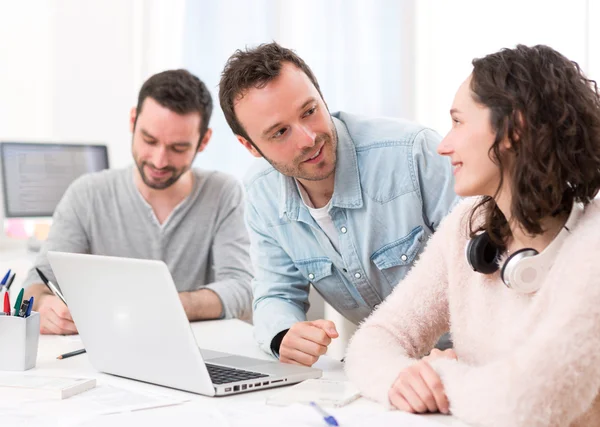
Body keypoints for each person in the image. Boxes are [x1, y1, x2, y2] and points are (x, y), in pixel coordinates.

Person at [344, 44, 600, 427]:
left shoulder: (592, 245)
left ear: (513, 128)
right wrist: (400, 377)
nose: (444, 145)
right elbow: (375, 338)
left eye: (459, 122)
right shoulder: (469, 225)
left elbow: (523, 404)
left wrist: (440, 373)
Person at [218, 42, 457, 365]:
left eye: (309, 111)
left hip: (464, 358)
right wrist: (284, 334)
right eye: (280, 132)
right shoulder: (262, 192)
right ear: (250, 146)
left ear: (322, 96)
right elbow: (276, 293)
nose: (308, 138)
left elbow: (484, 272)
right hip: (385, 368)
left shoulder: (413, 153)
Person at [23, 69, 253, 335]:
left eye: (177, 148)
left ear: (204, 140)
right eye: (149, 140)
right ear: (133, 120)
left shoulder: (223, 193)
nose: (159, 160)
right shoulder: (87, 194)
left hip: (192, 349)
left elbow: (240, 288)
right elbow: (36, 283)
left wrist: (165, 306)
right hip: (101, 352)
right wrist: (44, 303)